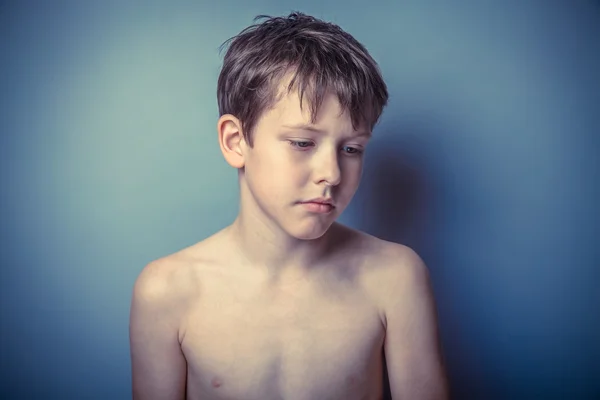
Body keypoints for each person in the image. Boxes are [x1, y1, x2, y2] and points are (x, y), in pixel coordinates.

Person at [129, 11, 448, 400]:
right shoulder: (168, 291)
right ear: (235, 141)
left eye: (351, 149)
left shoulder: (395, 278)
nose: (331, 173)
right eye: (302, 142)